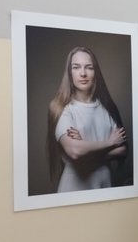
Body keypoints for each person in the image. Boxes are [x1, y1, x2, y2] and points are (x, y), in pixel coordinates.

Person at [47, 47, 127, 193]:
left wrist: (87, 150)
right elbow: (75, 150)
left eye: (89, 67)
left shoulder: (108, 107)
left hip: (106, 188)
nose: (83, 73)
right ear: (69, 73)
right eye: (76, 67)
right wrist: (109, 143)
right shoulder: (63, 109)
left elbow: (122, 150)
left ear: (96, 72)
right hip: (73, 192)